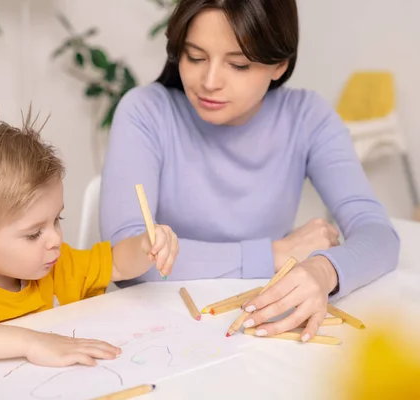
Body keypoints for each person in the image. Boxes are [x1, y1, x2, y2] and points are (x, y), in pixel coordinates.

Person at [100, 0, 399, 342]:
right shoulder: (146, 112)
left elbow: (380, 235)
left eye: (238, 65)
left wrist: (324, 269)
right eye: (195, 57)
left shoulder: (306, 117)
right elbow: (125, 260)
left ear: (279, 65)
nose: (209, 81)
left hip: (261, 328)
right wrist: (274, 254)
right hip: (160, 330)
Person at [0, 112, 178, 366]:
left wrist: (145, 246)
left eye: (57, 220)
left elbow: (117, 264)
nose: (54, 239)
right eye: (33, 234)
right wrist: (30, 342)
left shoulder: (56, 263)